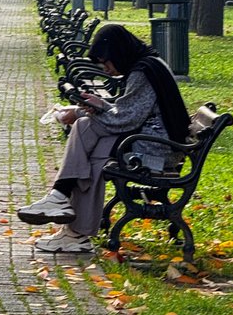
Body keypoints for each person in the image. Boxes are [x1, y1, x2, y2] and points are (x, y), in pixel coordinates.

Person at [17, 23, 191, 255]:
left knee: (85, 128)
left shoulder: (142, 72)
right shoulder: (150, 65)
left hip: (154, 152)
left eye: (106, 61)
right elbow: (131, 111)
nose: (105, 68)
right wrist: (100, 105)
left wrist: (81, 111)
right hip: (152, 143)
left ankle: (65, 208)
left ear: (118, 52)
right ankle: (71, 226)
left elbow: (125, 119)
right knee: (92, 155)